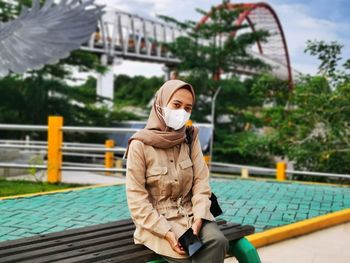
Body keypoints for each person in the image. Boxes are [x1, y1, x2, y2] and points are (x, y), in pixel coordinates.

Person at [124, 79, 228, 262]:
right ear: (161, 104)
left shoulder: (189, 137)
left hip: (191, 212)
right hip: (158, 221)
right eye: (176, 105)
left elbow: (201, 182)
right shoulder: (139, 145)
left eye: (187, 108)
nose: (182, 112)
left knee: (218, 241)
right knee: (186, 256)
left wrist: (200, 216)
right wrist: (166, 233)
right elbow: (136, 199)